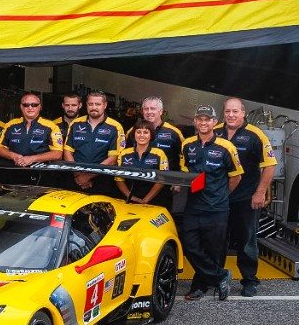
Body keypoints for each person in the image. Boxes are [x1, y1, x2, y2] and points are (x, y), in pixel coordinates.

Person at [179, 105, 243, 301]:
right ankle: (220, 276)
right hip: (194, 205)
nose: (203, 122)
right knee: (189, 246)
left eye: (207, 119)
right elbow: (184, 173)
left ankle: (199, 286)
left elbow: (236, 177)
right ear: (195, 122)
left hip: (217, 208)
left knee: (213, 250)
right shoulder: (187, 145)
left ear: (215, 122)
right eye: (200, 119)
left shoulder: (226, 147)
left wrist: (221, 194)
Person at [216, 97, 277, 297]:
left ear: (243, 113)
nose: (231, 115)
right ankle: (216, 277)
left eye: (235, 111)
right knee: (217, 240)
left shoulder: (255, 134)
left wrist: (260, 193)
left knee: (246, 241)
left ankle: (249, 280)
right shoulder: (215, 132)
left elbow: (270, 165)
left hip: (246, 199)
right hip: (219, 198)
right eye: (227, 112)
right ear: (223, 113)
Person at [63, 91, 125, 193]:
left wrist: (87, 176)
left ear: (105, 105)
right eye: (90, 104)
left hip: (101, 180)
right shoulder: (76, 123)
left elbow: (113, 159)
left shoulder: (115, 127)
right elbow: (67, 151)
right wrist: (78, 174)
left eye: (98, 104)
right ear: (86, 105)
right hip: (75, 178)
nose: (94, 107)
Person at [0, 92, 64, 168]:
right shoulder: (10, 125)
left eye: (34, 105)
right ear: (21, 107)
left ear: (40, 107)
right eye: (26, 105)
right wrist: (14, 156)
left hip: (41, 172)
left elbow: (58, 154)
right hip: (13, 170)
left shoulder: (51, 126)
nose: (30, 107)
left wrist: (32, 159)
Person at [115, 120, 169, 205]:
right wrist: (131, 197)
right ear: (134, 134)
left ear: (151, 135)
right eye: (139, 132)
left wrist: (146, 199)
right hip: (128, 200)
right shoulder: (124, 153)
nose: (142, 135)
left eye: (146, 132)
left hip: (153, 201)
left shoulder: (159, 154)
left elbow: (162, 179)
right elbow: (118, 179)